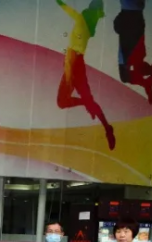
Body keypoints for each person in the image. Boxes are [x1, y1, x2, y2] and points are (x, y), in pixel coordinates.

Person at [56, 0, 116, 150]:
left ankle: (90, 108)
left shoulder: (82, 19)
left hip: (73, 63)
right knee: (77, 101)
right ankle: (106, 127)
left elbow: (68, 9)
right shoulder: (90, 28)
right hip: (76, 63)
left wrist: (58, 1)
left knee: (63, 102)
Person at [114, 0, 152, 104]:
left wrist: (119, 23)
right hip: (131, 18)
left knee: (129, 69)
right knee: (132, 67)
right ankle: (150, 75)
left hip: (131, 18)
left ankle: (149, 77)